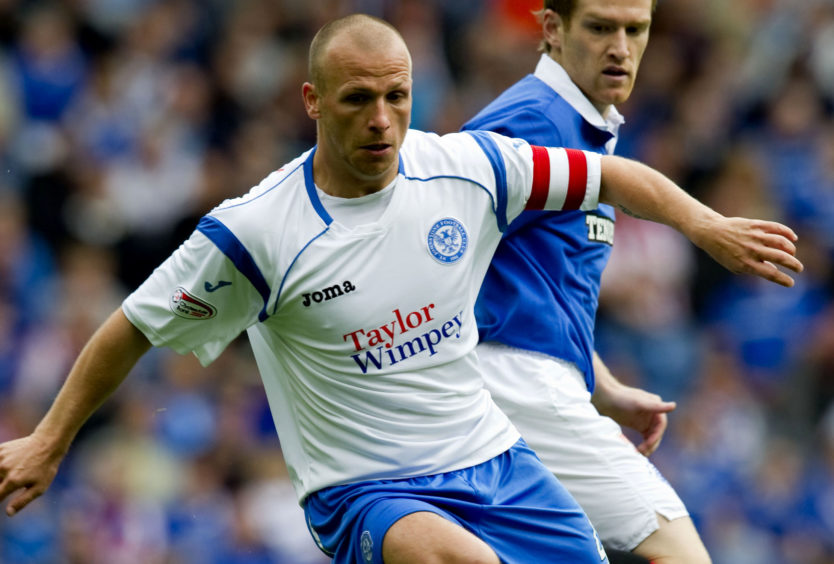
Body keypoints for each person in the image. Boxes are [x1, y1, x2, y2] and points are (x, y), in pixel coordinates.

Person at [0, 13, 802, 564]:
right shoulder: (257, 231)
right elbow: (133, 326)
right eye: (358, 100)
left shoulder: (465, 166)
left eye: (397, 97)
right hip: (366, 489)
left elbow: (609, 178)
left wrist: (706, 227)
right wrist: (50, 439)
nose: (382, 120)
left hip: (491, 458)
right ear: (313, 102)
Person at [462, 0, 749, 562]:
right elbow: (446, 269)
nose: (620, 46)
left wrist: (605, 388)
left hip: (534, 383)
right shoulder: (527, 120)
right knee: (680, 552)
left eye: (635, 29)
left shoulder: (587, 126)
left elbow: (534, 291)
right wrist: (707, 225)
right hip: (512, 386)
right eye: (599, 27)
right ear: (551, 30)